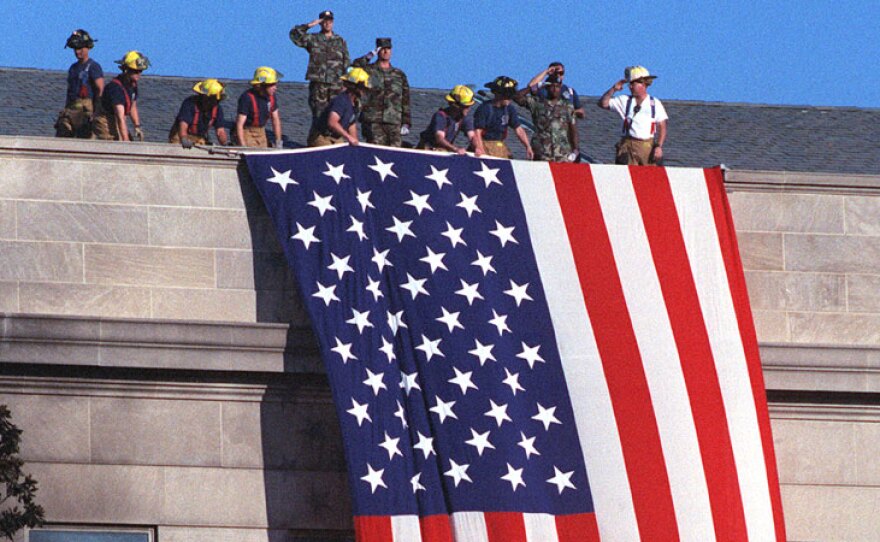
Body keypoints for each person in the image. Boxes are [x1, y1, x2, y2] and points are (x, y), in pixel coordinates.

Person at [598, 65, 668, 165]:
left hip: (647, 148)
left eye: (633, 84)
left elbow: (663, 127)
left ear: (643, 84)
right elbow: (603, 104)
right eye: (630, 84)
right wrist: (613, 89)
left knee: (648, 177)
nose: (630, 87)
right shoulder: (624, 100)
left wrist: (659, 147)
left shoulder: (655, 103)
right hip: (628, 147)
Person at [289, 10, 350, 122]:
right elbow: (294, 35)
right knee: (318, 114)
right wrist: (310, 25)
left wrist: (346, 83)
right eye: (324, 21)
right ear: (320, 23)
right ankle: (319, 138)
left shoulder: (340, 41)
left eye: (330, 21)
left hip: (336, 84)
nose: (327, 24)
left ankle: (334, 138)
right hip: (319, 84)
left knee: (336, 113)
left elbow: (346, 62)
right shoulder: (313, 38)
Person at [352, 37, 411, 147]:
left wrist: (406, 122)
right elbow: (352, 68)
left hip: (394, 121)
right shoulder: (368, 70)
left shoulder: (399, 74)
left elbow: (405, 99)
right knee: (375, 153)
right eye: (382, 49)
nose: (385, 52)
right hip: (373, 120)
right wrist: (369, 55)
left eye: (388, 49)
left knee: (395, 154)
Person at [515, 70, 579, 162]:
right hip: (542, 152)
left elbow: (573, 129)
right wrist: (534, 87)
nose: (554, 89)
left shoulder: (567, 106)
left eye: (557, 86)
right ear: (547, 88)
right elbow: (517, 97)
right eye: (551, 86)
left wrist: (575, 149)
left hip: (562, 153)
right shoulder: (537, 103)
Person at [55, 29, 104, 138]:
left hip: (86, 110)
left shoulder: (93, 66)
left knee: (84, 137)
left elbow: (100, 89)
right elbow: (70, 91)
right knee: (63, 133)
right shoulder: (73, 68)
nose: (77, 52)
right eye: (75, 49)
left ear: (87, 47)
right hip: (71, 109)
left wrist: (96, 112)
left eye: (80, 48)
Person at [93, 50, 148, 142]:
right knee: (115, 143)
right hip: (105, 121)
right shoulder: (115, 88)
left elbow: (132, 107)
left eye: (140, 71)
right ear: (126, 70)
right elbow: (120, 117)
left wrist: (137, 126)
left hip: (119, 119)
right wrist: (125, 142)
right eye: (136, 71)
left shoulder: (133, 85)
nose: (139, 74)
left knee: (130, 142)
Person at [473, 76, 532, 159]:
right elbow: (477, 132)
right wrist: (480, 148)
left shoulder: (509, 109)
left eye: (510, 96)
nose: (509, 99)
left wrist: (528, 146)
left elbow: (519, 129)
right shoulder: (485, 108)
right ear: (498, 94)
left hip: (499, 144)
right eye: (507, 95)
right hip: (485, 143)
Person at [308, 67, 370, 147]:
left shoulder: (355, 104)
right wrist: (348, 137)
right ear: (355, 87)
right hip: (322, 137)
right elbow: (332, 122)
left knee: (345, 155)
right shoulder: (341, 100)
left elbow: (351, 123)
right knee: (331, 156)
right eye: (362, 88)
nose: (364, 91)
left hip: (337, 138)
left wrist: (355, 141)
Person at [417, 85, 484, 156]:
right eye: (466, 106)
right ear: (456, 106)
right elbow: (439, 138)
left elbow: (472, 136)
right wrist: (456, 149)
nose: (468, 109)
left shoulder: (464, 118)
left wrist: (477, 147)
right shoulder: (440, 116)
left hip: (443, 152)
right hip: (428, 151)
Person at [168, 79, 229, 146]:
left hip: (199, 139)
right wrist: (184, 139)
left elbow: (220, 131)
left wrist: (225, 143)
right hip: (180, 137)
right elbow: (183, 124)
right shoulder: (189, 103)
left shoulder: (217, 109)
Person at [235, 67, 283, 148]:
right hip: (247, 132)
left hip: (261, 132)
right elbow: (239, 124)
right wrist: (243, 146)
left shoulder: (271, 97)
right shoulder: (247, 98)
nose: (275, 88)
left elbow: (275, 120)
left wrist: (279, 142)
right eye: (272, 85)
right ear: (262, 86)